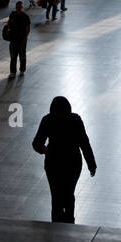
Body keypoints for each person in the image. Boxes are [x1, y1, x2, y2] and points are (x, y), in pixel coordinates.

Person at [31, 96, 97, 224]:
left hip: (53, 163)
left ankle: (56, 224)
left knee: (56, 196)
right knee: (68, 194)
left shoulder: (48, 120)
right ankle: (69, 223)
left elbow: (36, 143)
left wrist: (46, 150)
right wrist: (91, 164)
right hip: (73, 162)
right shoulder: (75, 120)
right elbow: (84, 143)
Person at [5, 0, 31, 75]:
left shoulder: (25, 17)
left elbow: (28, 28)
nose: (18, 8)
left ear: (21, 7)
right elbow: (9, 22)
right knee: (13, 56)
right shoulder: (13, 14)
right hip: (13, 39)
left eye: (19, 7)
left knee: (22, 55)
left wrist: (25, 37)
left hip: (22, 39)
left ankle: (22, 70)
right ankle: (13, 72)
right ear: (16, 7)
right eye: (17, 7)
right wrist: (8, 29)